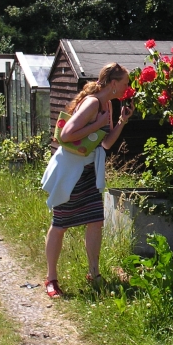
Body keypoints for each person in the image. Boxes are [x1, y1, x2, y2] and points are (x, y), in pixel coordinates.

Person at [40, 62, 133, 298]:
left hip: (89, 171)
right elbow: (66, 134)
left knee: (95, 220)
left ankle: (94, 273)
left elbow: (106, 143)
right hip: (71, 172)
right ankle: (51, 279)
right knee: (60, 224)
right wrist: (98, 124)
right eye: (124, 83)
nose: (127, 88)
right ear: (113, 83)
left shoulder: (108, 105)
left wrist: (121, 121)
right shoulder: (92, 103)